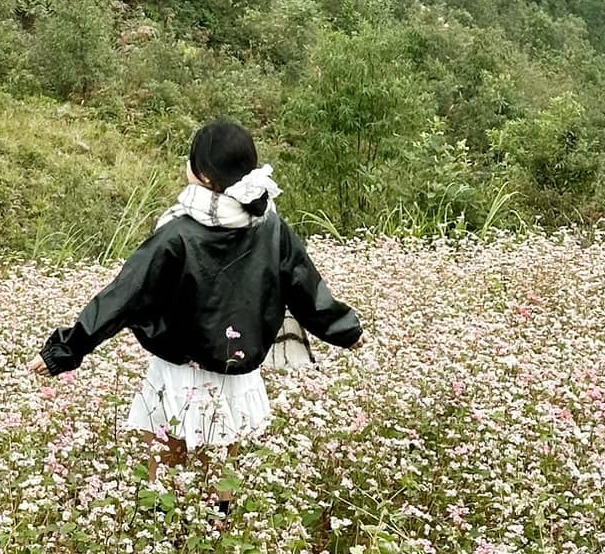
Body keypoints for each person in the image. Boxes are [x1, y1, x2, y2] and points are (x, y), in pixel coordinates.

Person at [36, 120, 364, 468]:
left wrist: (64, 351)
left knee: (166, 463)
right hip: (236, 369)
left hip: (181, 369)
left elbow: (124, 295)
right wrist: (346, 330)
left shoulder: (178, 233)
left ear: (206, 177)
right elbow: (304, 285)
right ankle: (218, 523)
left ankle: (167, 521)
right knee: (220, 470)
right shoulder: (268, 223)